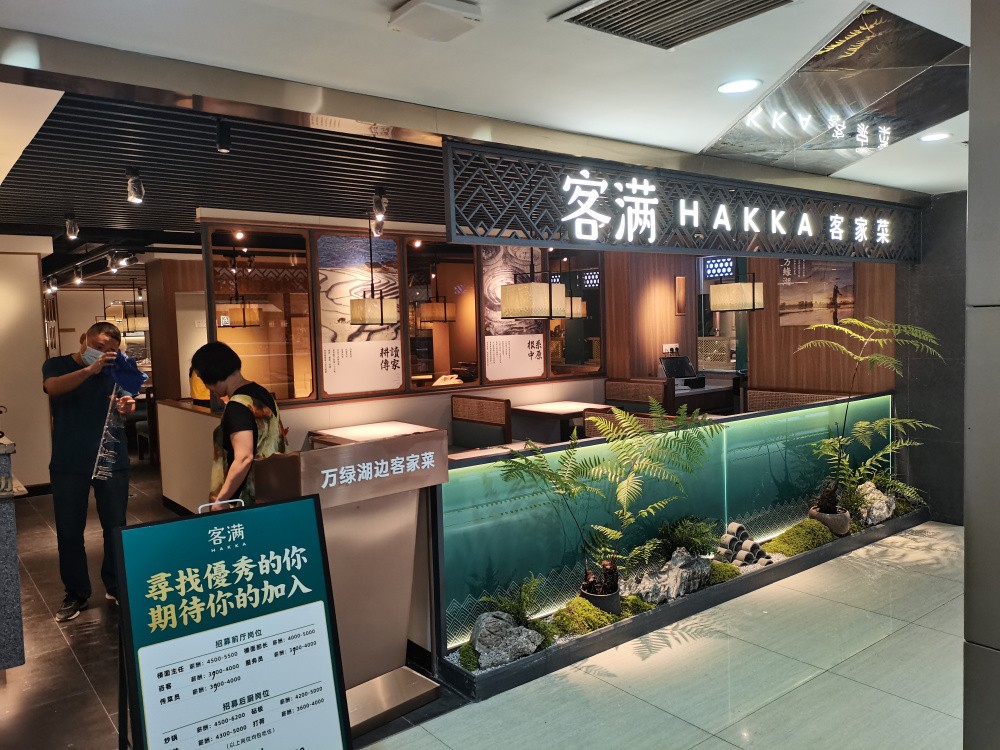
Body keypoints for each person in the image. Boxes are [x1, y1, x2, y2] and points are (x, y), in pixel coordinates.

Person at [42, 322, 135, 622]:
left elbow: (128, 402)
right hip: (69, 460)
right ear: (84, 340)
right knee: (69, 530)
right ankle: (76, 592)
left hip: (111, 458)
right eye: (98, 346)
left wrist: (127, 406)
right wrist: (89, 371)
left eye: (111, 350)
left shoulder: (121, 368)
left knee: (115, 526)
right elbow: (52, 388)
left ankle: (116, 585)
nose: (104, 354)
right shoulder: (56, 364)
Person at [190, 341, 286, 508]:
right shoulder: (261, 392)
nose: (206, 386)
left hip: (249, 497)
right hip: (274, 487)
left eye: (203, 379)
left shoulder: (237, 406)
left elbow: (244, 457)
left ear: (212, 374)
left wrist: (222, 500)